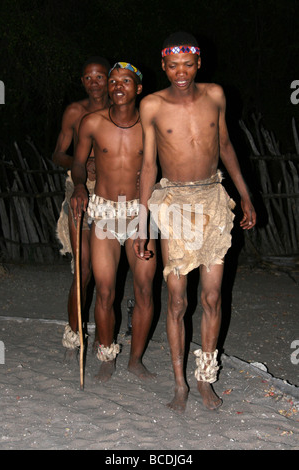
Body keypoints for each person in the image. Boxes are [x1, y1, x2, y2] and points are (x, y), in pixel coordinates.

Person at [134, 32, 256, 412]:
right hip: (175, 204)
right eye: (173, 66)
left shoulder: (215, 95)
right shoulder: (151, 105)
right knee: (176, 299)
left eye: (188, 65)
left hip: (213, 201)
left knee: (213, 296)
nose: (181, 72)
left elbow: (225, 147)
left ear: (198, 63)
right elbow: (149, 165)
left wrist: (246, 195)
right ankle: (180, 383)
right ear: (163, 65)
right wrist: (142, 225)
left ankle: (205, 379)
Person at [70, 62, 156, 382]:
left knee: (145, 289)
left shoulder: (152, 126)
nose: (118, 86)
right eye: (113, 81)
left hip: (138, 213)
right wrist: (80, 185)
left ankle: (135, 359)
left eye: (126, 81)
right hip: (105, 212)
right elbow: (79, 163)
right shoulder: (92, 122)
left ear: (138, 88)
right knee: (105, 291)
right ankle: (107, 354)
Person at [52, 57, 111, 353]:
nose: (94, 82)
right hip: (79, 188)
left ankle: (105, 340)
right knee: (83, 268)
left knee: (106, 273)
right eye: (88, 78)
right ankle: (74, 332)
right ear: (82, 82)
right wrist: (81, 163)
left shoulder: (120, 110)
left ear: (109, 78)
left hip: (113, 191)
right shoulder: (75, 111)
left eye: (99, 76)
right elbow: (58, 153)